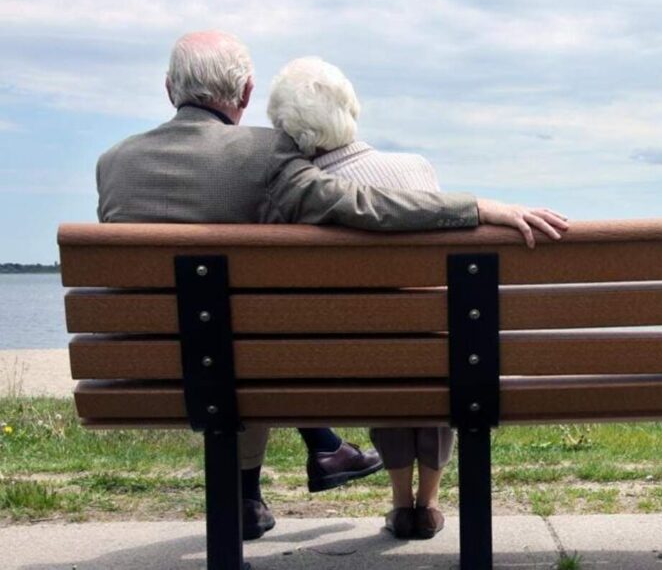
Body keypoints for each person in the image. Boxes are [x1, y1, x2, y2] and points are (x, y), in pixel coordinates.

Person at [95, 31, 569, 541]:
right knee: (236, 344)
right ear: (247, 93)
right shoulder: (262, 154)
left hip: (140, 374)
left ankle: (255, 490)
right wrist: (476, 209)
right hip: (240, 369)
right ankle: (310, 457)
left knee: (225, 341)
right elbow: (362, 205)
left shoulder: (113, 162)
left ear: (170, 88)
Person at [267, 56, 458, 539]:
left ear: (287, 131)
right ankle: (428, 503)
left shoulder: (293, 195)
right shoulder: (415, 168)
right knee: (429, 344)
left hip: (351, 366)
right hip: (437, 356)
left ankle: (399, 503)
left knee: (379, 349)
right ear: (351, 108)